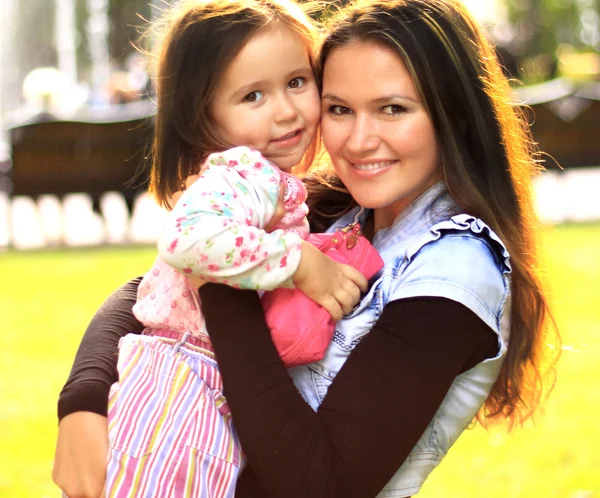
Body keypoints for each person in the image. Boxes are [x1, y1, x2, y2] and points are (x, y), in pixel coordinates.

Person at [53, 0, 559, 497]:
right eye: (339, 108)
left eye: (393, 109)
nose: (360, 141)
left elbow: (320, 485)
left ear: (456, 115)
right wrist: (83, 401)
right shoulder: (336, 204)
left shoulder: (456, 271)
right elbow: (151, 290)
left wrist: (226, 282)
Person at [94, 0, 380, 496]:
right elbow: (190, 240)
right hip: (185, 383)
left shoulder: (270, 179)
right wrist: (299, 264)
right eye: (253, 96)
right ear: (204, 117)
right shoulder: (245, 173)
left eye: (297, 82)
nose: (287, 110)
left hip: (208, 382)